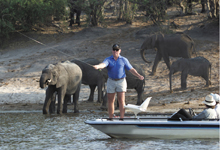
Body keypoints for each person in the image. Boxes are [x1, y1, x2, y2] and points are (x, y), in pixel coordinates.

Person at [93, 44, 144, 120]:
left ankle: (122, 118)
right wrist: (98, 66)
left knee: (121, 100)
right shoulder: (108, 59)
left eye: (117, 50)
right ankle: (111, 118)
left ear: (120, 51)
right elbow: (103, 64)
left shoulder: (124, 59)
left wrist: (138, 75)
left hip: (121, 81)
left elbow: (131, 69)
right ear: (112, 50)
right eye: (114, 49)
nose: (115, 51)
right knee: (111, 100)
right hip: (111, 81)